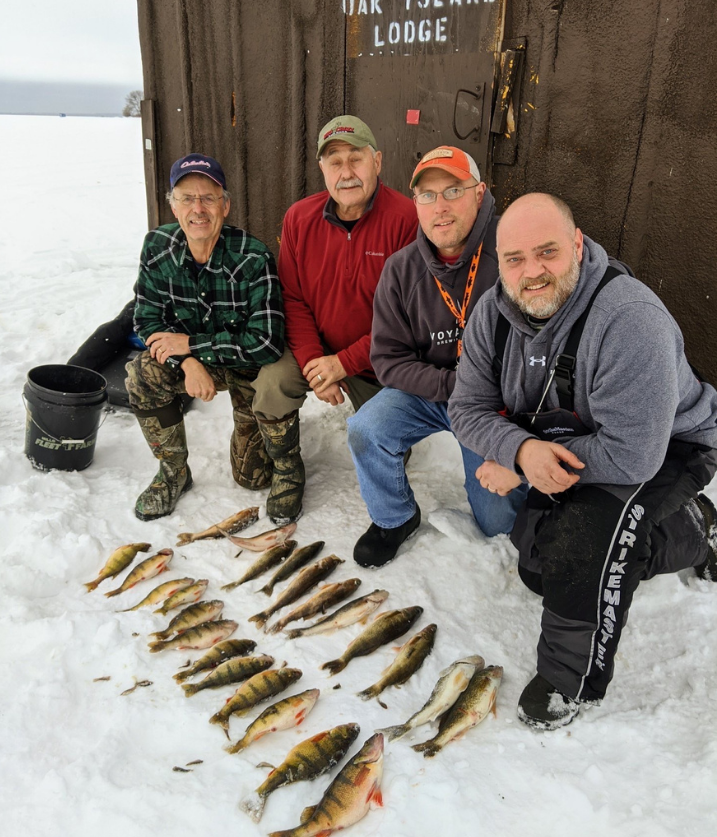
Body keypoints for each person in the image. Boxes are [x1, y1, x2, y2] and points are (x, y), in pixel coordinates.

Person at [449, 192, 717, 729]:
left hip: (665, 447)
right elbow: (465, 407)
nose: (532, 273)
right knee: (537, 568)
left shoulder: (630, 318)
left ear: (577, 244)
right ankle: (694, 528)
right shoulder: (492, 313)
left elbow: (632, 456)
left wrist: (523, 464)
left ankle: (570, 679)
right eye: (515, 259)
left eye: (547, 252)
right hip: (569, 442)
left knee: (581, 545)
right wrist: (521, 448)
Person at [347, 146, 528, 568]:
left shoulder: (513, 250)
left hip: (493, 405)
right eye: (427, 195)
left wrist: (483, 398)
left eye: (453, 190)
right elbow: (389, 361)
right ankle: (394, 518)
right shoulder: (401, 268)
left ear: (480, 193)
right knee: (365, 429)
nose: (439, 207)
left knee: (498, 523)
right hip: (436, 389)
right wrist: (453, 388)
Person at [247, 115, 417, 523]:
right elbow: (293, 297)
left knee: (387, 429)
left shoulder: (406, 219)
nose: (347, 172)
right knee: (272, 382)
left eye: (356, 159)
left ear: (377, 161)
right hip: (317, 345)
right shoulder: (299, 218)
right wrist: (312, 363)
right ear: (322, 169)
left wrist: (344, 363)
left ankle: (391, 442)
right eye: (335, 161)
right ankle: (287, 470)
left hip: (380, 356)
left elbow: (406, 316)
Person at [125, 153, 284, 521]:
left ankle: (260, 437)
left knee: (253, 480)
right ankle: (173, 474)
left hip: (247, 368)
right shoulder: (156, 247)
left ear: (224, 206)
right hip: (196, 362)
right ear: (173, 206)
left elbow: (267, 342)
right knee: (142, 373)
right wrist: (188, 361)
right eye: (186, 198)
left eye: (208, 197)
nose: (198, 208)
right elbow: (146, 320)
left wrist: (193, 344)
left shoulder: (253, 256)